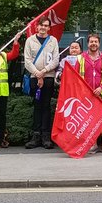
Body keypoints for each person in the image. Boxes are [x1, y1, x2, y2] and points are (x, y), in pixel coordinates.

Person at [24, 18, 60, 150]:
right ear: (37, 27)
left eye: (46, 26)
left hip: (48, 77)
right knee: (37, 105)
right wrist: (37, 73)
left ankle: (46, 136)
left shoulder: (53, 41)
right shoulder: (30, 41)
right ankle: (36, 135)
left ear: (49, 28)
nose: (43, 28)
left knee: (46, 106)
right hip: (34, 77)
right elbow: (27, 60)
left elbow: (56, 60)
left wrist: (43, 72)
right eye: (41, 25)